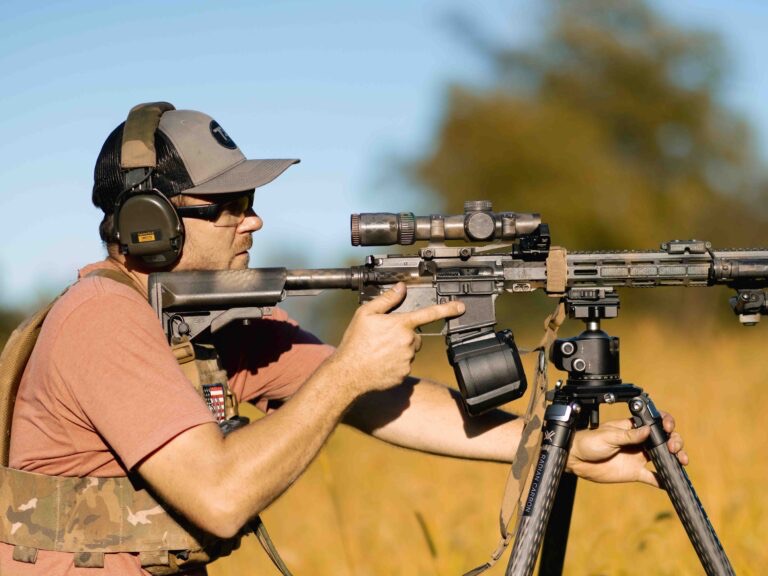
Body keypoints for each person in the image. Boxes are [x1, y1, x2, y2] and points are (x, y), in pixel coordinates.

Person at [0, 103, 686, 576]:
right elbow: (219, 496)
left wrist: (558, 448)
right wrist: (349, 373)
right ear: (149, 224)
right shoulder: (101, 320)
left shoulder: (214, 327)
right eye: (229, 207)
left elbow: (386, 400)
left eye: (252, 203)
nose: (253, 222)